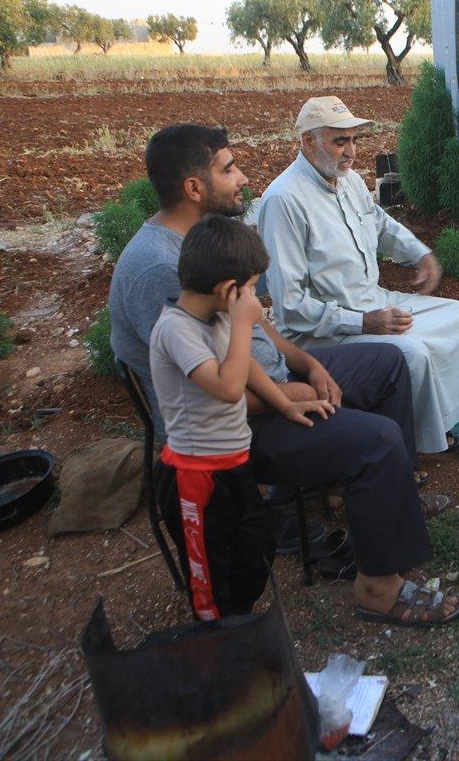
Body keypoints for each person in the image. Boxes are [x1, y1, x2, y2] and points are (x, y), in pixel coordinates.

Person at [110, 123, 459, 625]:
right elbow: (207, 391)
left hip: (269, 383)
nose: (243, 177)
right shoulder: (159, 270)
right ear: (194, 188)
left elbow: (252, 320)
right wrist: (285, 394)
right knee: (378, 440)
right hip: (231, 429)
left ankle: (377, 497)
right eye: (229, 168)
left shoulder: (207, 241)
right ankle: (379, 588)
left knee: (388, 360)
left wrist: (309, 363)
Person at [257, 96, 459, 454]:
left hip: (373, 302)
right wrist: (364, 323)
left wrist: (420, 253)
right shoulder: (284, 201)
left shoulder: (347, 181)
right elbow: (290, 308)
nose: (350, 152)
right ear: (308, 141)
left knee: (458, 315)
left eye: (354, 140)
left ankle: (439, 425)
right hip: (323, 332)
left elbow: (380, 224)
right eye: (339, 141)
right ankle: (418, 445)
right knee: (410, 354)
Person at [151, 215, 333, 620]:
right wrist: (242, 323)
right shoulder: (176, 330)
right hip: (195, 476)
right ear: (227, 290)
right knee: (212, 576)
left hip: (233, 464)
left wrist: (285, 404)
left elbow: (246, 365)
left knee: (254, 547)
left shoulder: (215, 320)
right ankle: (219, 637)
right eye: (250, 288)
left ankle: (240, 621)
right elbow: (229, 387)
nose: (255, 297)